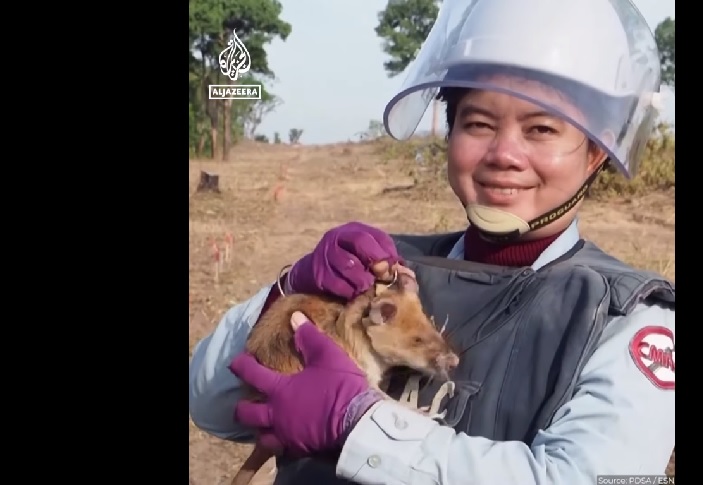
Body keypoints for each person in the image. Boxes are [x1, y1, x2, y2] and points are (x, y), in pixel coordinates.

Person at [188, 0, 675, 483]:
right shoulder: (385, 276)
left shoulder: (628, 319)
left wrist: (360, 422)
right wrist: (285, 292)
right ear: (450, 134)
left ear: (596, 152)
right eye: (478, 123)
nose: (504, 154)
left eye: (541, 128)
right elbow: (210, 406)